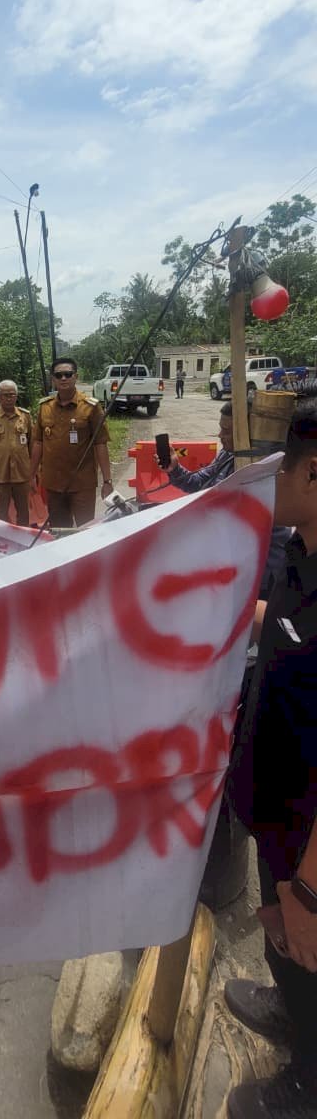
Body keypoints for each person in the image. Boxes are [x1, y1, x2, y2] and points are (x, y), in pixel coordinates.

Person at [224, 402, 317, 1118]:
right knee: (285, 947)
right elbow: (282, 626)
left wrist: (309, 892)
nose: (270, 481)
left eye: (280, 465)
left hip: (311, 850)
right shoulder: (300, 553)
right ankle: (294, 1016)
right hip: (278, 822)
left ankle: (307, 1085)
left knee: (308, 947)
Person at [161, 401, 290, 598]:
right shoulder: (227, 455)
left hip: (262, 574)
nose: (220, 435)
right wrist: (174, 469)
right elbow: (199, 482)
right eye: (221, 428)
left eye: (227, 431)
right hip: (230, 565)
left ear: (245, 433)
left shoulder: (265, 467)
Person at [30, 357, 113, 528]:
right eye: (58, 375)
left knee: (85, 529)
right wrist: (31, 475)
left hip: (82, 484)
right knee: (60, 531)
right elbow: (38, 443)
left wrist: (107, 481)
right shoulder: (45, 408)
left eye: (68, 374)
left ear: (76, 376)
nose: (63, 378)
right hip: (53, 484)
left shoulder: (91, 407)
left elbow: (100, 444)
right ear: (53, 379)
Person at [0, 380, 32, 525]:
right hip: (0, 475)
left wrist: (34, 472)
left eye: (12, 394)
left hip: (21, 474)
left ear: (16, 396)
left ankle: (24, 536)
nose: (9, 398)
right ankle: (2, 538)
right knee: (1, 514)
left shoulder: (25, 416)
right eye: (5, 395)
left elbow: (32, 444)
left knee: (24, 512)